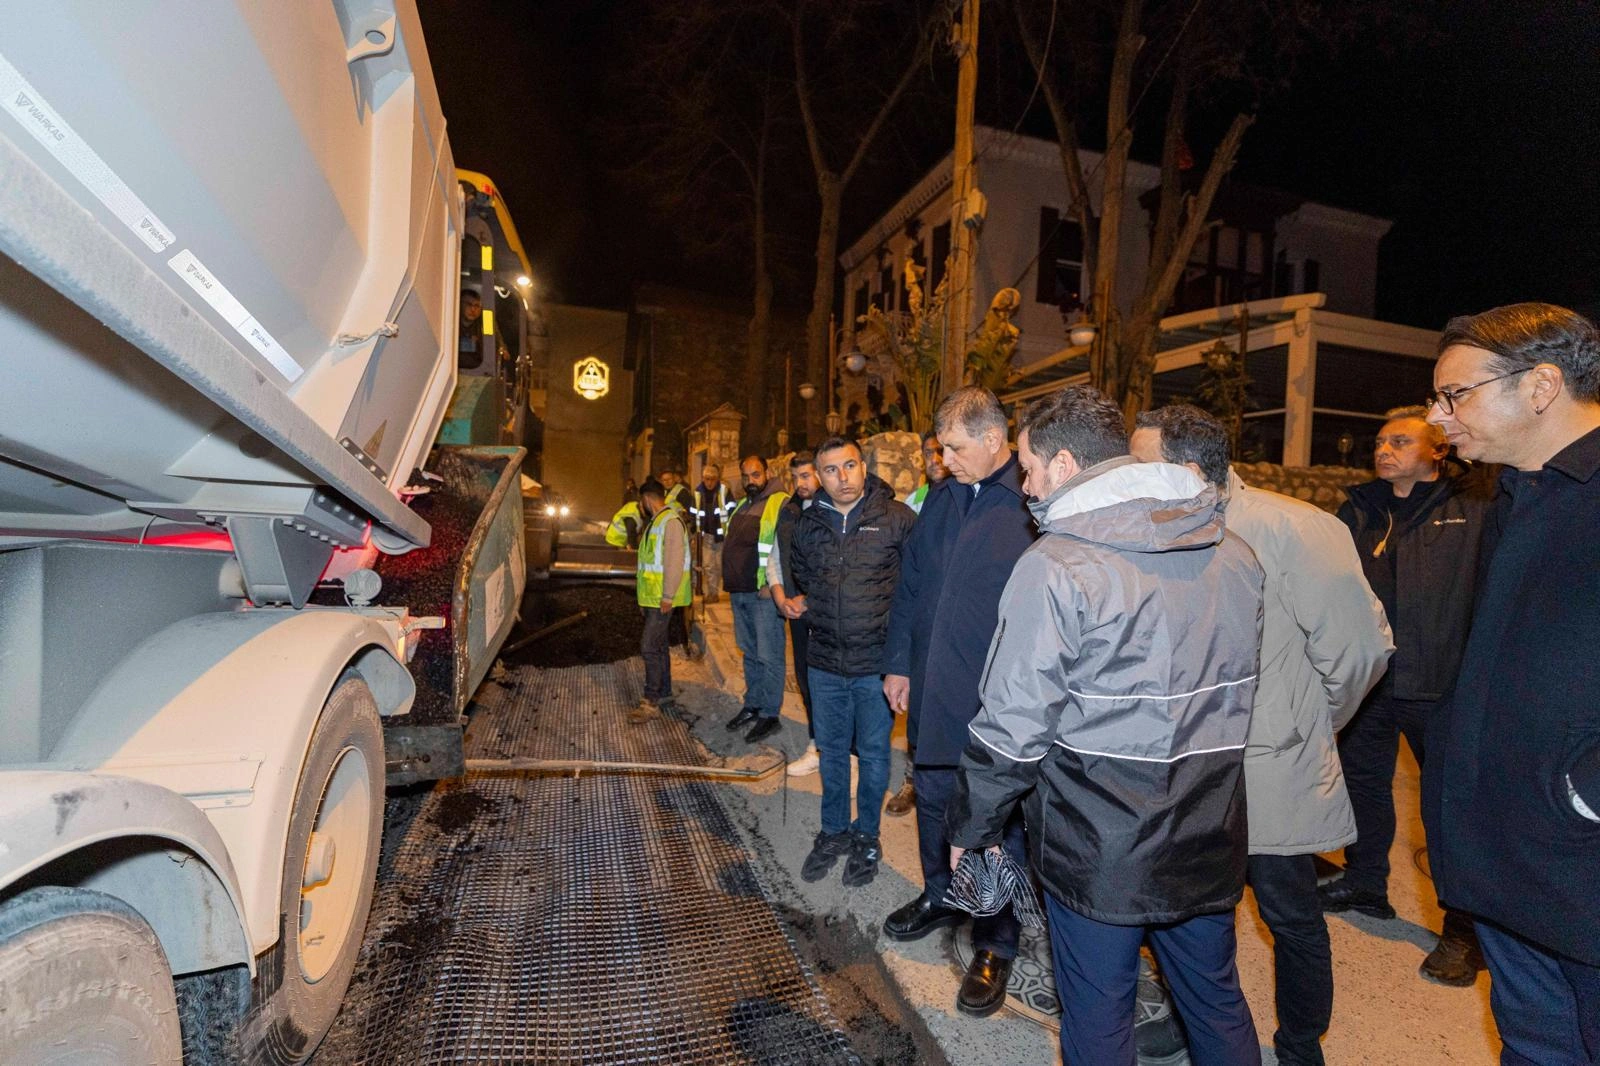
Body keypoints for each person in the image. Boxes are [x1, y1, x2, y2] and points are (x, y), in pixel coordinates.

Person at [947, 385, 1265, 1066]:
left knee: (1097, 1014)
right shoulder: (1234, 551)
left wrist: (972, 829)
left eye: (1028, 469)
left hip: (1100, 842)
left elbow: (1011, 726)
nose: (1025, 486)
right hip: (1209, 824)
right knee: (1215, 1001)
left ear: (1064, 466)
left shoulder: (1057, 565)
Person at [1132, 404, 1393, 1066]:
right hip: (1183, 769)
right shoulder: (1153, 532)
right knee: (1187, 914)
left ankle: (1301, 1046)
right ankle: (1198, 1024)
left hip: (1267, 767)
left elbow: (1360, 652)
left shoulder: (1297, 529)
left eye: (1138, 468)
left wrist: (1305, 725)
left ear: (1188, 471)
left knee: (1289, 916)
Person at [1421, 303, 1600, 1065]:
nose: (1438, 418)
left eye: (1454, 394)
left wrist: (1582, 795)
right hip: (1508, 868)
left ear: (1541, 386)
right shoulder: (1515, 497)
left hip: (1582, 868)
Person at [1323, 405, 1496, 986]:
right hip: (1374, 678)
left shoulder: (1471, 508)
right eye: (1380, 440)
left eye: (1400, 440)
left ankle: (1463, 930)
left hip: (1443, 681)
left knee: (1445, 809)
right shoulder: (1359, 507)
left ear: (1437, 451)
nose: (1385, 449)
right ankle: (1366, 882)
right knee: (1364, 784)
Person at [880, 387, 1037, 1017]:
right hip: (932, 687)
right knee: (934, 801)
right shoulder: (941, 501)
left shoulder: (1027, 507)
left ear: (995, 439)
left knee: (994, 825)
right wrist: (898, 663)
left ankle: (997, 942)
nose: (941, 459)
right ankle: (940, 894)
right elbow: (910, 588)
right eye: (940, 447)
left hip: (996, 704)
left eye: (954, 447)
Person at [789, 437, 916, 887]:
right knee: (833, 753)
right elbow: (802, 574)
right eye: (830, 470)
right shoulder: (809, 524)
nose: (841, 478)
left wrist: (902, 661)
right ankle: (834, 832)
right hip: (824, 662)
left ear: (863, 467)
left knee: (876, 754)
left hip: (875, 666)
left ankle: (867, 836)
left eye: (849, 466)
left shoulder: (897, 520)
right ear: (818, 476)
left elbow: (914, 590)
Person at [885, 428, 953, 817]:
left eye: (940, 450)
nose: (934, 457)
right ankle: (914, 782)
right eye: (928, 451)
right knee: (917, 709)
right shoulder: (915, 501)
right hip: (922, 622)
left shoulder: (967, 497)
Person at [720, 455, 790, 744]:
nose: (751, 481)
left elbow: (785, 548)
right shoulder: (743, 505)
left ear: (768, 473)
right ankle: (753, 705)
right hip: (740, 592)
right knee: (750, 653)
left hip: (763, 593)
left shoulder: (780, 501)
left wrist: (775, 585)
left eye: (756, 475)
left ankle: (770, 714)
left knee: (769, 655)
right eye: (746, 476)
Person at [768, 452, 821, 775]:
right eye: (797, 477)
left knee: (832, 684)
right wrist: (778, 594)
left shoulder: (833, 510)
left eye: (807, 475)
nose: (801, 483)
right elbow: (775, 555)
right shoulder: (789, 510)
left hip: (827, 614)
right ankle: (817, 745)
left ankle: (845, 755)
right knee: (805, 680)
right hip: (796, 614)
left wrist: (810, 600)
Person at [628, 479, 690, 724]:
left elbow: (674, 562)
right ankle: (664, 693)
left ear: (646, 499)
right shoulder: (657, 522)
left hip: (662, 598)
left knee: (649, 647)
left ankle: (650, 700)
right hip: (653, 597)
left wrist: (667, 596)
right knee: (660, 645)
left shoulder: (670, 522)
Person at [690, 463, 737, 602]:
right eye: (707, 478)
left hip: (722, 536)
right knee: (708, 565)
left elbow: (732, 510)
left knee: (720, 564)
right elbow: (693, 512)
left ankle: (717, 590)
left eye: (712, 479)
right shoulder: (697, 493)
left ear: (717, 479)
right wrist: (695, 529)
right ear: (703, 478)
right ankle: (712, 593)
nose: (709, 482)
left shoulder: (725, 492)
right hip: (705, 536)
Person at [905, 428, 949, 514]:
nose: (934, 460)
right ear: (922, 459)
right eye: (928, 453)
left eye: (941, 451)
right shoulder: (912, 501)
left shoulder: (968, 492)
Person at [458, 288, 484, 369]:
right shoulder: (449, 325)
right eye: (469, 304)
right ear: (460, 304)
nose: (473, 309)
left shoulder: (485, 327)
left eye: (477, 306)